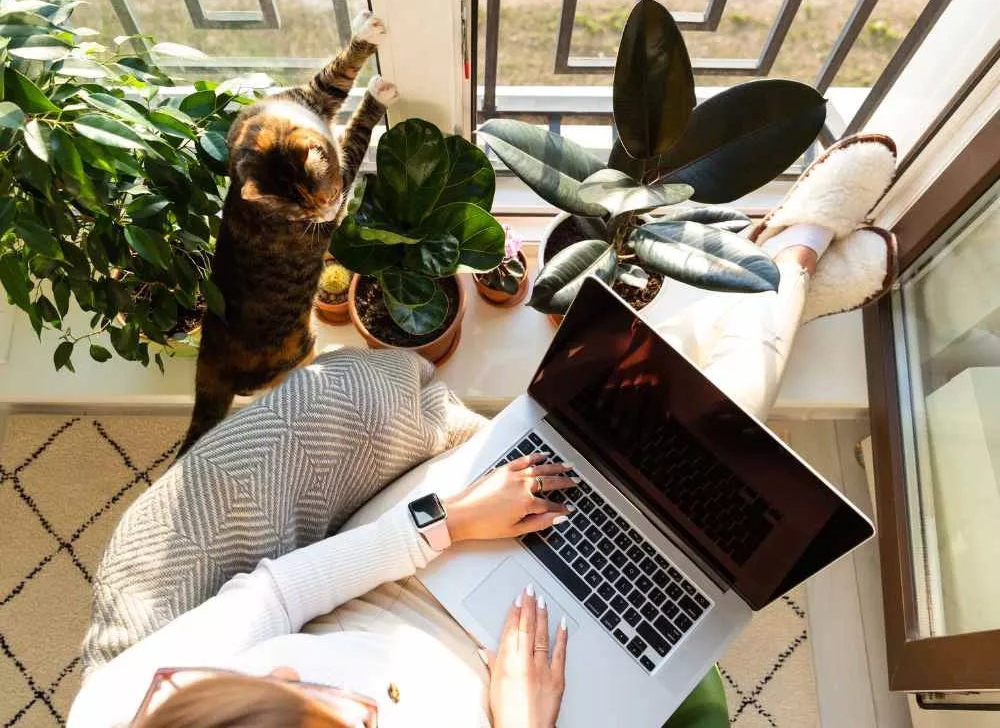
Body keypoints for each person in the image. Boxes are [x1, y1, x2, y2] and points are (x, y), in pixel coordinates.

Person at [68, 134, 898, 728]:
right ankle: (786, 266)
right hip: (526, 696)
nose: (286, 663)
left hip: (396, 584)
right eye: (313, 706)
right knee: (713, 458)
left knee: (628, 423)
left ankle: (783, 271)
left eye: (269, 680)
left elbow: (280, 595)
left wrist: (446, 523)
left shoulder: (133, 707)